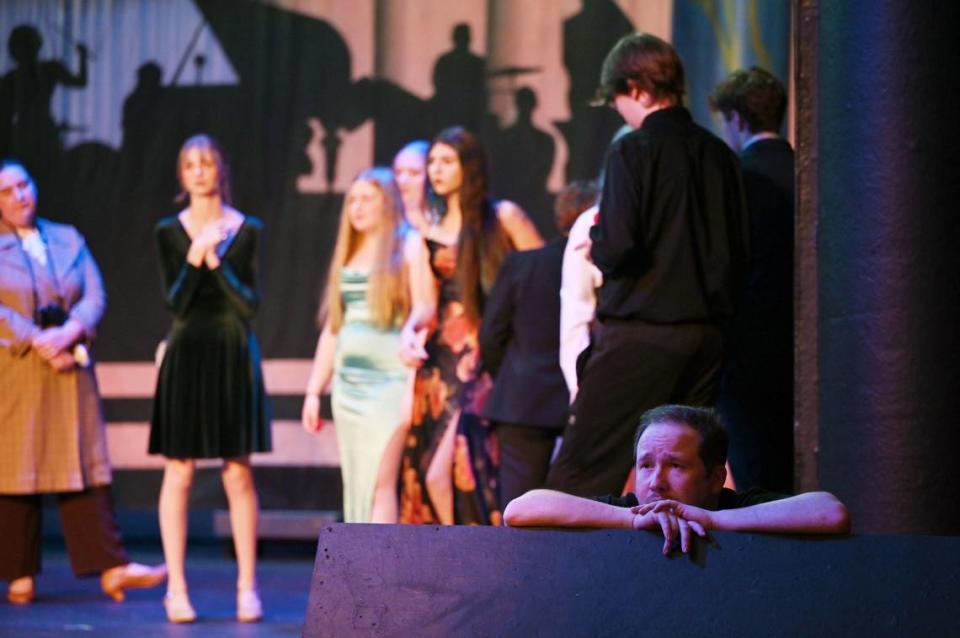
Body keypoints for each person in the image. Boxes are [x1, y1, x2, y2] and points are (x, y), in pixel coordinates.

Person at [545, 33, 749, 497]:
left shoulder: (632, 150)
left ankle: (562, 571)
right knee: (687, 481)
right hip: (708, 338)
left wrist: (596, 242)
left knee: (579, 477)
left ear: (637, 88)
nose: (619, 110)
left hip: (641, 333)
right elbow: (739, 255)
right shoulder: (721, 155)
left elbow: (618, 247)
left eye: (618, 99)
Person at [0, 160, 166, 605]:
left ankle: (113, 567)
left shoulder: (68, 237)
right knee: (18, 468)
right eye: (7, 191)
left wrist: (69, 331)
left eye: (23, 185)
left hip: (71, 369)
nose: (18, 195)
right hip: (19, 371)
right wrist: (36, 338)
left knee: (83, 466)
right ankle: (18, 572)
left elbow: (95, 294)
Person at [149, 135, 270, 623]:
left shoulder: (248, 230)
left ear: (221, 169)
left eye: (207, 163)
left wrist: (215, 260)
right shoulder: (167, 232)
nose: (199, 172)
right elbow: (176, 303)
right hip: (187, 351)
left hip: (232, 350)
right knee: (179, 470)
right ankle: (176, 587)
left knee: (238, 471)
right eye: (190, 165)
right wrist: (194, 257)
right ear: (182, 176)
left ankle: (247, 586)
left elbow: (249, 305)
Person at [398, 126, 542, 526]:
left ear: (468, 165)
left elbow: (544, 276)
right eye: (432, 162)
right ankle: (457, 558)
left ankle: (483, 554)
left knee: (472, 465)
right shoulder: (423, 236)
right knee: (435, 473)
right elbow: (425, 305)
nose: (436, 170)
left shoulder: (503, 218)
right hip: (441, 366)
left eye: (446, 161)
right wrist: (409, 333)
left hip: (490, 355)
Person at [505, 405, 850, 554]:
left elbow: (832, 512)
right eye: (645, 465)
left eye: (675, 466)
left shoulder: (732, 507)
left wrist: (713, 520)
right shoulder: (630, 510)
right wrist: (630, 520)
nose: (655, 482)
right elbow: (519, 510)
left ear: (716, 477)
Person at [301, 167, 435, 523]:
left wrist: (411, 328)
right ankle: (361, 573)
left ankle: (380, 573)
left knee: (380, 482)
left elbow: (426, 304)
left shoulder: (409, 244)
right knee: (357, 483)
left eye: (366, 199)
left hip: (390, 380)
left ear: (388, 203)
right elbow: (333, 328)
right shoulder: (350, 252)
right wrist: (315, 389)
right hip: (348, 386)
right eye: (352, 200)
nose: (357, 208)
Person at [480, 180, 598, 509]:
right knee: (582, 507)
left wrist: (510, 376)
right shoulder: (605, 266)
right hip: (586, 400)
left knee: (520, 510)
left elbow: (491, 335)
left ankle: (517, 563)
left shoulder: (523, 265)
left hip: (523, 400)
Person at [709, 67, 795, 493]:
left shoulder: (736, 181)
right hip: (808, 352)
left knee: (759, 483)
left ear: (736, 119)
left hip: (746, 357)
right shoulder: (810, 171)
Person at [392, 140, 431, 234]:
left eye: (414, 173)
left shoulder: (442, 222)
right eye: (398, 172)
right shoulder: (384, 221)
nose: (402, 180)